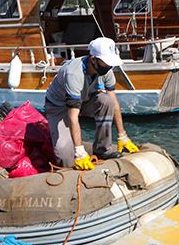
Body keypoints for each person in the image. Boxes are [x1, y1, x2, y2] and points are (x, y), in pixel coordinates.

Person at [44, 37, 139, 170]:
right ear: (93, 59)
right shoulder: (74, 74)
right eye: (106, 63)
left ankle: (102, 150)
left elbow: (113, 101)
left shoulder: (106, 70)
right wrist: (79, 151)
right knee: (65, 155)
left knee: (106, 101)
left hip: (84, 100)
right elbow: (72, 116)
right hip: (59, 107)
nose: (109, 67)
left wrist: (122, 135)